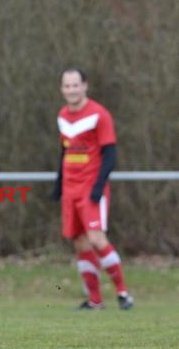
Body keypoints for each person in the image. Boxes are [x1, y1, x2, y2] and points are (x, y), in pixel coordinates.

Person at [52, 67, 134, 310]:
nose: (71, 90)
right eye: (67, 86)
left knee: (97, 239)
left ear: (85, 86)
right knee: (79, 243)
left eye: (75, 85)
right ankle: (95, 300)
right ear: (62, 89)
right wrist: (58, 186)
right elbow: (65, 152)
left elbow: (110, 155)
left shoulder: (99, 114)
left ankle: (123, 293)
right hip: (70, 189)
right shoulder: (62, 115)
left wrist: (98, 187)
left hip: (91, 188)